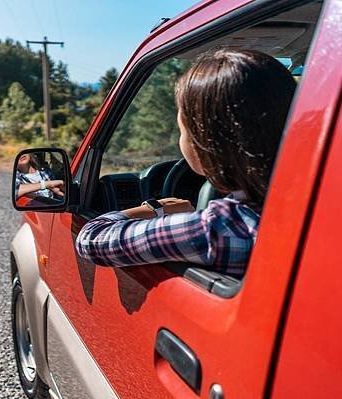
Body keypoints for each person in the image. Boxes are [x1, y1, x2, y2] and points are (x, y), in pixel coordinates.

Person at [76, 50, 296, 277]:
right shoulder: (319, 204)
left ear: (206, 143)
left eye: (182, 130)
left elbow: (91, 239)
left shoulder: (218, 228)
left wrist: (156, 209)